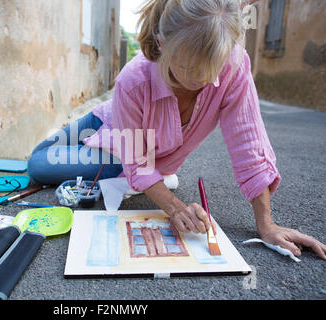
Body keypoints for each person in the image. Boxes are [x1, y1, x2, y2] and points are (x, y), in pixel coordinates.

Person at [28, 0, 325, 260]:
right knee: (37, 160)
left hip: (126, 155)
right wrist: (174, 207)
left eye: (213, 67)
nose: (204, 80)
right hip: (105, 120)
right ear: (161, 43)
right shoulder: (132, 80)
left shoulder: (235, 65)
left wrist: (266, 224)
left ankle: (116, 168)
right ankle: (110, 161)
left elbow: (249, 141)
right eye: (188, 68)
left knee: (71, 166)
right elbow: (139, 164)